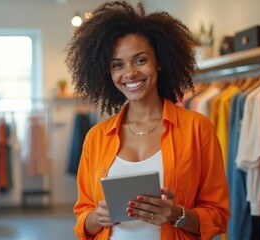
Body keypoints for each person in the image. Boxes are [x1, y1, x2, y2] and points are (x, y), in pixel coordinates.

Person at [65, 1, 230, 239]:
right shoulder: (96, 137)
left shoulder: (197, 128)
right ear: (108, 73)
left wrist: (177, 214)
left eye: (140, 60)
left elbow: (218, 215)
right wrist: (96, 217)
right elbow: (83, 217)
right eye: (117, 65)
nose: (130, 73)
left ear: (159, 62)